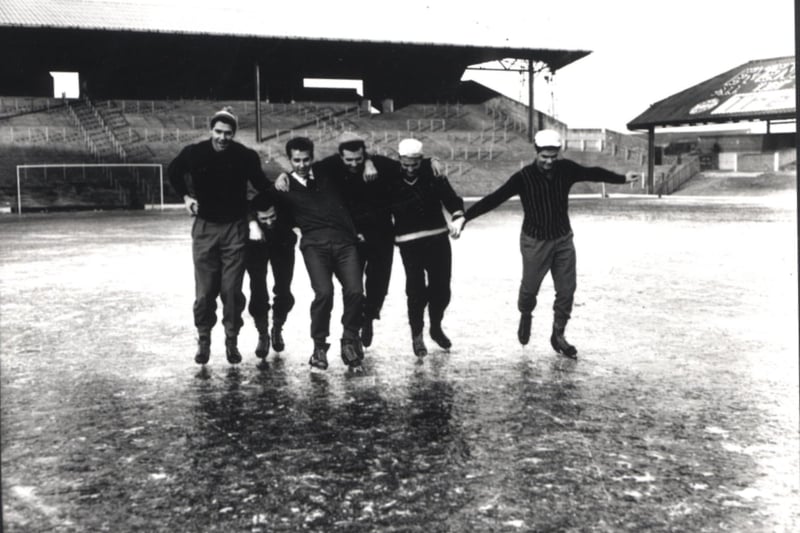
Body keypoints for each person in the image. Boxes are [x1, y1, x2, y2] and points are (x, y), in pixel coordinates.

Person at [454, 129, 640, 358]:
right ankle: (525, 313)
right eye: (544, 157)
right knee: (530, 289)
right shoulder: (523, 177)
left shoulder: (566, 169)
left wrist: (621, 178)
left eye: (553, 156)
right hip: (535, 241)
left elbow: (592, 172)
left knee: (567, 290)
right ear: (536, 152)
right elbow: (495, 198)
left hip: (562, 238)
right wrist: (465, 217)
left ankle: (558, 334)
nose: (549, 161)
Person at [167, 106, 271, 365]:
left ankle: (231, 339)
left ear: (234, 133)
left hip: (234, 228)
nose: (223, 137)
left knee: (231, 290)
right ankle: (204, 339)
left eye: (228, 133)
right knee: (205, 292)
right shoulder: (195, 153)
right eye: (218, 132)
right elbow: (173, 171)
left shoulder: (245, 156)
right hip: (204, 228)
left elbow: (260, 184)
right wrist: (186, 196)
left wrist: (280, 192)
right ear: (210, 130)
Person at [272, 136, 364, 371]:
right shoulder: (284, 186)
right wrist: (280, 178)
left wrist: (370, 161)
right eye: (296, 160)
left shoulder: (327, 172)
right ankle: (319, 347)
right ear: (289, 160)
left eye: (305, 159)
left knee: (355, 291)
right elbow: (259, 203)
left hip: (345, 243)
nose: (301, 164)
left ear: (312, 158)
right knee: (324, 293)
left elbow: (352, 153)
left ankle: (349, 340)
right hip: (314, 245)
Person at [388, 138, 465, 357]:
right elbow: (371, 159)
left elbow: (452, 200)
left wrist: (458, 217)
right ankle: (417, 335)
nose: (410, 169)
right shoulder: (391, 175)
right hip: (408, 242)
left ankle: (436, 326)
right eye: (405, 165)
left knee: (442, 290)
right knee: (415, 290)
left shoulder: (433, 173)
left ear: (421, 160)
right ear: (399, 160)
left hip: (437, 238)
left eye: (415, 164)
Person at [244, 191, 297, 361]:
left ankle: (277, 327)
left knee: (283, 288)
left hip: (282, 243)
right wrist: (252, 223)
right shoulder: (250, 212)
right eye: (263, 219)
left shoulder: (285, 206)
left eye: (272, 217)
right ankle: (262, 333)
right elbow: (243, 208)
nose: (268, 222)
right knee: (258, 288)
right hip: (256, 245)